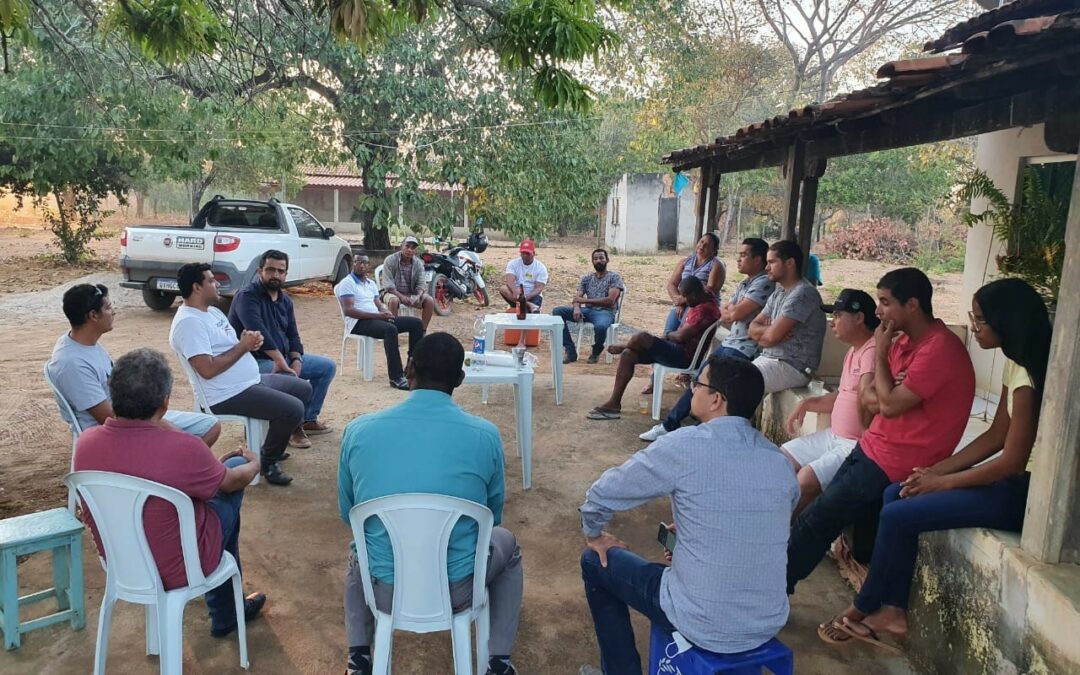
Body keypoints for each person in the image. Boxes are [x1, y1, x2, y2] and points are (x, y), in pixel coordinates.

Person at [818, 278, 1051, 649]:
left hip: (1023, 494)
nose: (973, 329)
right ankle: (892, 608)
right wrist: (939, 470)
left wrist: (943, 483)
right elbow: (994, 435)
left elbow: (1011, 461)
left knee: (896, 513)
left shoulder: (1027, 378)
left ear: (1007, 322)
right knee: (896, 492)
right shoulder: (1013, 363)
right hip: (1004, 482)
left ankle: (864, 607)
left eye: (979, 322)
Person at [578, 357, 798, 675]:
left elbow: (602, 495)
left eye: (698, 383)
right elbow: (761, 520)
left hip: (701, 619)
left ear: (716, 399)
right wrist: (692, 532)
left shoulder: (684, 446)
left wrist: (594, 534)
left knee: (593, 562)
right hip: (765, 620)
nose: (692, 388)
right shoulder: (779, 462)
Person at [339, 333, 523, 675]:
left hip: (382, 590)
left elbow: (347, 513)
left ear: (409, 369)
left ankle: (359, 658)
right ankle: (498, 661)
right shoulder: (485, 435)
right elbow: (493, 517)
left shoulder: (358, 431)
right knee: (507, 546)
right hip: (459, 590)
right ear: (460, 379)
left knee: (359, 548)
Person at [786, 268, 975, 596]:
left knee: (815, 522)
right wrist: (886, 388)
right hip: (873, 448)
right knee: (824, 522)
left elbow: (885, 405)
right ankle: (777, 585)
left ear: (912, 305)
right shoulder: (905, 344)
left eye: (886, 303)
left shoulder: (938, 349)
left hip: (896, 460)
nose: (878, 311)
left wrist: (884, 359)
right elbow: (870, 398)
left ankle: (770, 590)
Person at [73, 348, 266, 638]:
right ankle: (226, 611)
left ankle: (227, 609)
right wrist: (253, 464)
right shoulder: (183, 449)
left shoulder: (85, 444)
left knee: (194, 494)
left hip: (121, 563)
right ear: (164, 403)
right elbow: (230, 482)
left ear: (113, 396)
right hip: (180, 567)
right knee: (230, 479)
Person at [170, 263, 312, 487]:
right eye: (211, 280)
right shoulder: (189, 323)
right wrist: (244, 347)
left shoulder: (212, 312)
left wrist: (250, 341)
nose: (217, 284)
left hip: (248, 383)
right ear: (197, 287)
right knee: (293, 409)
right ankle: (267, 462)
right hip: (225, 395)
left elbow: (231, 346)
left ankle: (271, 445)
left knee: (302, 388)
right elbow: (206, 370)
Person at [46, 283, 221, 447]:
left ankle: (176, 470)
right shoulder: (72, 364)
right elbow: (109, 418)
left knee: (210, 427)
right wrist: (162, 425)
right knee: (188, 440)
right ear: (93, 316)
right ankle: (169, 470)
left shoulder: (85, 342)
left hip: (133, 414)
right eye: (108, 308)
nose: (113, 312)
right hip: (116, 430)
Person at [638, 237, 773, 441]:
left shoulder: (763, 283)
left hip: (745, 348)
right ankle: (677, 425)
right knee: (701, 380)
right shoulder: (746, 283)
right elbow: (724, 312)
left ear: (758, 260)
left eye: (744, 255)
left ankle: (671, 426)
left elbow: (732, 314)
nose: (738, 259)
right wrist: (731, 312)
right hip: (732, 342)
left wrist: (732, 312)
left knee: (707, 380)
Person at [781, 289, 879, 516]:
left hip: (854, 444)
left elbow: (871, 401)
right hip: (833, 436)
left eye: (837, 316)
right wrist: (807, 403)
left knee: (805, 480)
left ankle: (786, 534)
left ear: (859, 317)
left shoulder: (872, 351)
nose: (832, 323)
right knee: (781, 458)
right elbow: (844, 397)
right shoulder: (854, 351)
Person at [228, 249, 337, 450]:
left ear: (286, 274)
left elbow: (293, 334)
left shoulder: (285, 300)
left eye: (281, 271)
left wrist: (296, 360)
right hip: (252, 362)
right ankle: (292, 427)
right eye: (270, 270)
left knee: (327, 367)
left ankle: (308, 419)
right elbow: (258, 331)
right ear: (261, 271)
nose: (276, 275)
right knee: (289, 379)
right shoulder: (247, 297)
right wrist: (282, 362)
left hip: (284, 358)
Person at [587, 277, 720, 421]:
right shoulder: (704, 295)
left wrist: (668, 334)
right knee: (628, 355)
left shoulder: (705, 310)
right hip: (675, 349)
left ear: (694, 295)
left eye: (685, 296)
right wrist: (667, 337)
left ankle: (625, 344)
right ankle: (614, 403)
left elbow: (681, 337)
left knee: (642, 337)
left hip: (683, 356)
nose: (684, 300)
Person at [334, 254, 425, 391]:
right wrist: (377, 316)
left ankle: (411, 368)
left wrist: (384, 311)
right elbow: (349, 311)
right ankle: (396, 377)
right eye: (358, 262)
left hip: (375, 319)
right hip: (358, 323)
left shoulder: (370, 284)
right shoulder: (347, 283)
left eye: (365, 262)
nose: (362, 265)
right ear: (353, 264)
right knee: (390, 330)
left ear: (369, 265)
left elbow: (378, 304)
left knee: (416, 324)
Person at [748, 240, 827, 393]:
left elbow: (769, 338)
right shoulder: (779, 292)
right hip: (770, 359)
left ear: (790, 263)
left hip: (793, 366)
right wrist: (770, 332)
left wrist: (768, 336)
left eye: (772, 262)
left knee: (736, 384)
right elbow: (752, 329)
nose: (766, 268)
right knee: (724, 375)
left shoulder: (803, 293)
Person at [552, 249, 624, 364]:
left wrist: (584, 300)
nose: (598, 261)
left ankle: (596, 350)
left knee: (600, 326)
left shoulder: (614, 277)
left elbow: (610, 301)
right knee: (558, 312)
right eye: (595, 259)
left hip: (605, 312)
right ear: (592, 262)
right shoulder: (587, 278)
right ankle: (570, 351)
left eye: (601, 258)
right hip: (587, 310)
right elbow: (577, 298)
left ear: (607, 260)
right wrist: (576, 307)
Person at [380, 235, 435, 330]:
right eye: (407, 246)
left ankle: (422, 331)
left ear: (415, 251)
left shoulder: (418, 264)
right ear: (401, 246)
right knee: (394, 301)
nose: (409, 250)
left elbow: (421, 284)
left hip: (410, 294)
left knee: (429, 301)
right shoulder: (390, 260)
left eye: (413, 248)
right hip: (391, 293)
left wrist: (417, 296)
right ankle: (393, 331)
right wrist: (402, 297)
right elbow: (388, 286)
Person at [498, 239, 548, 310]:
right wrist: (515, 290)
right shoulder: (513, 263)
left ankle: (523, 305)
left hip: (533, 296)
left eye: (528, 253)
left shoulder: (541, 268)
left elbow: (538, 288)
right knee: (503, 289)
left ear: (533, 253)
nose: (525, 255)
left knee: (527, 315)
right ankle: (529, 305)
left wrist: (524, 298)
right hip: (517, 296)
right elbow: (510, 280)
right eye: (523, 253)